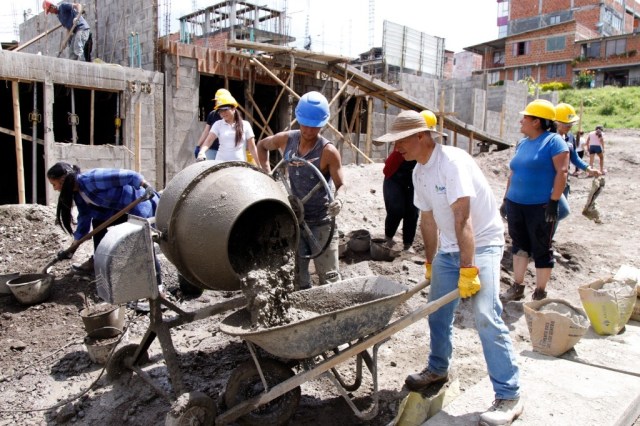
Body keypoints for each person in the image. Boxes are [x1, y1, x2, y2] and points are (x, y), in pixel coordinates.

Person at [375, 110, 522, 426]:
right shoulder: (418, 172)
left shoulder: (452, 163)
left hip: (482, 243)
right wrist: (431, 262)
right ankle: (437, 367)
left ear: (420, 136)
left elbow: (462, 219)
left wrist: (468, 268)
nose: (396, 147)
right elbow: (428, 221)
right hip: (451, 249)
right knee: (436, 311)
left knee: (485, 315)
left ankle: (509, 395)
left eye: (400, 140)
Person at [256, 91, 346, 290]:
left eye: (314, 126)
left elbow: (341, 185)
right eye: (304, 124)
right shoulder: (286, 140)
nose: (308, 130)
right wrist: (267, 173)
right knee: (298, 280)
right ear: (298, 119)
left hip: (322, 223)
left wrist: (339, 200)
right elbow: (261, 145)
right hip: (295, 222)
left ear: (322, 124)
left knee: (330, 281)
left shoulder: (328, 151)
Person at [500, 99, 569, 302]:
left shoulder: (554, 141)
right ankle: (517, 286)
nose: (521, 121)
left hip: (541, 206)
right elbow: (513, 173)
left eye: (526, 118)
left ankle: (540, 293)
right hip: (516, 203)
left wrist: (554, 201)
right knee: (519, 246)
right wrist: (506, 199)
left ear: (537, 121)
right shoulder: (522, 143)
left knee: (541, 248)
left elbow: (562, 172)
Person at [46, 162, 159, 275]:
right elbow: (83, 220)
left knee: (141, 239)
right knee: (98, 222)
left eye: (54, 184)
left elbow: (130, 176)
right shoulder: (78, 195)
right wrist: (72, 249)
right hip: (120, 210)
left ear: (62, 180)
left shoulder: (92, 179)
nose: (55, 189)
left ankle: (156, 280)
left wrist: (146, 186)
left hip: (139, 203)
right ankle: (99, 262)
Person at [382, 110, 439, 252]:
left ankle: (408, 243)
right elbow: (387, 170)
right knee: (396, 208)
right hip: (394, 179)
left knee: (412, 211)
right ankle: (388, 237)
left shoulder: (430, 152)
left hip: (413, 181)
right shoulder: (403, 148)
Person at [196, 91, 258, 163]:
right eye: (220, 111)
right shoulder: (218, 124)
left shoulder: (245, 125)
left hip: (239, 165)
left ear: (233, 108)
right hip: (220, 164)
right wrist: (202, 152)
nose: (223, 113)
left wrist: (259, 165)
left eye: (225, 110)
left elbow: (252, 147)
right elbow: (209, 140)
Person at [194, 89, 231, 161]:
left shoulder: (232, 116)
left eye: (218, 100)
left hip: (226, 151)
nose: (216, 103)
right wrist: (198, 146)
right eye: (216, 101)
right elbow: (206, 131)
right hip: (211, 149)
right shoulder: (212, 114)